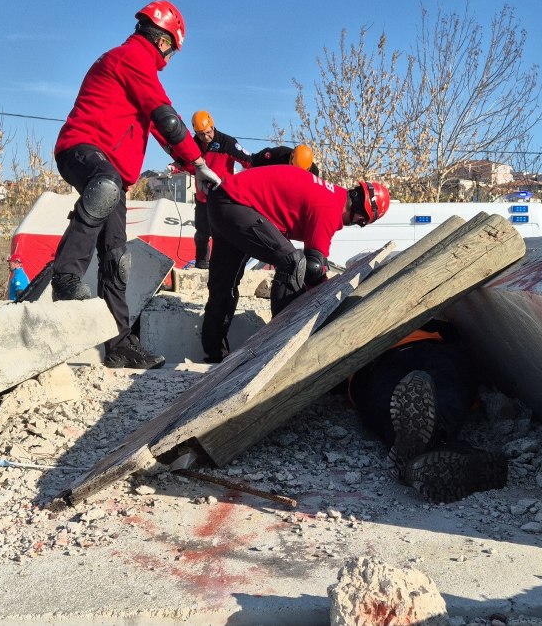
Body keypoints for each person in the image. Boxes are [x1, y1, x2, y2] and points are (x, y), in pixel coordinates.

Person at [50, 0, 222, 370]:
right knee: (106, 186)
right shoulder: (134, 57)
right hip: (81, 150)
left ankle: (120, 344)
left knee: (116, 257)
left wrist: (186, 163)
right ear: (164, 42)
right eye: (173, 50)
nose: (171, 58)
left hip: (109, 168)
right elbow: (168, 119)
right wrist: (198, 162)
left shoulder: (135, 64)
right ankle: (65, 277)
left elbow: (159, 129)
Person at [201, 165, 390, 363]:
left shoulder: (329, 193)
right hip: (236, 204)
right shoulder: (331, 207)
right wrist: (329, 303)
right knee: (292, 262)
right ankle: (278, 345)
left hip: (223, 199)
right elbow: (313, 268)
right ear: (361, 217)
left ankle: (214, 354)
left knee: (224, 286)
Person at [347, 321, 508, 503]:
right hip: (373, 362)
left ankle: (421, 451)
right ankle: (441, 448)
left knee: (440, 387)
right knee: (396, 398)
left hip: (427, 344)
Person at [190, 110, 253, 269]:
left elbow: (250, 162)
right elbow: (185, 162)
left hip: (223, 198)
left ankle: (223, 267)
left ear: (213, 125)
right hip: (202, 197)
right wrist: (173, 167)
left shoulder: (227, 142)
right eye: (201, 134)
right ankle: (201, 266)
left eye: (208, 132)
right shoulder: (193, 144)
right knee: (201, 234)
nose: (206, 137)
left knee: (223, 235)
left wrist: (240, 184)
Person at [249, 144, 320, 176]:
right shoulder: (279, 154)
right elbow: (253, 161)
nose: (295, 173)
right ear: (291, 155)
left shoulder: (313, 172)